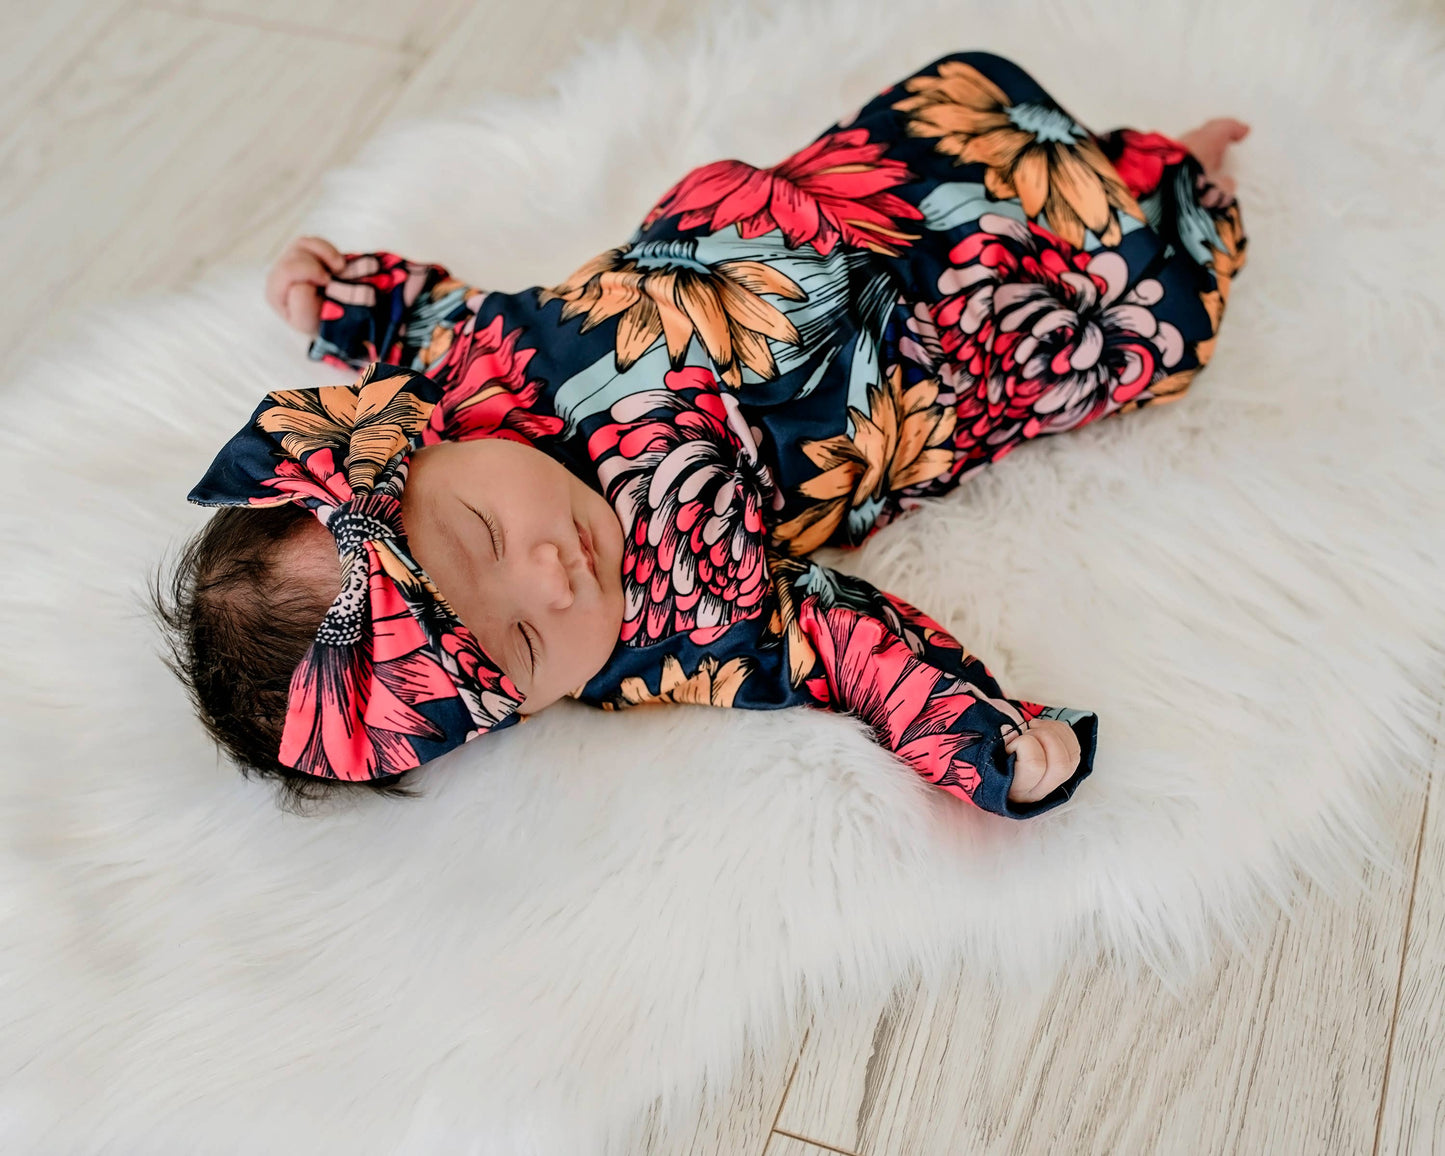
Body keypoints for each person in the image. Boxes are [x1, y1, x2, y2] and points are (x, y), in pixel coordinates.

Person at [157, 50, 1249, 816]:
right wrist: (982, 743)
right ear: (513, 712)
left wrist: (348, 299)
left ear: (410, 452)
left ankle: (1110, 161)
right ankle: (1183, 183)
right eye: (525, 645)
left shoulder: (463, 379)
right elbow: (840, 650)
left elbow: (434, 313)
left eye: (483, 534)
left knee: (968, 126)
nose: (550, 578)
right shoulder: (677, 623)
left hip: (848, 198)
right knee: (1145, 280)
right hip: (962, 339)